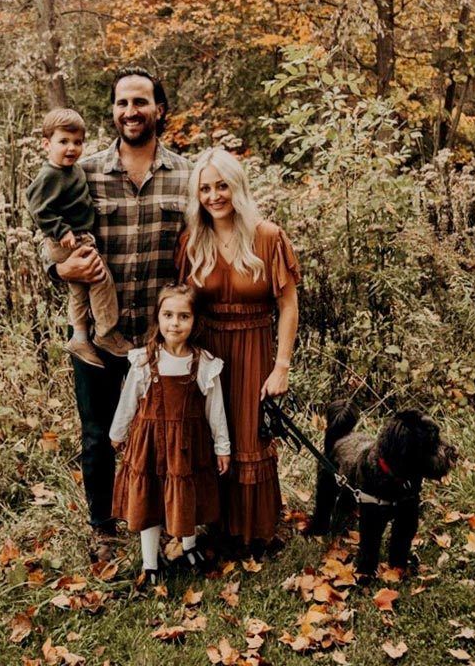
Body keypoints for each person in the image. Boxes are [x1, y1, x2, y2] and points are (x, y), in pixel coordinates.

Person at [43, 67, 191, 560]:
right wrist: (62, 268)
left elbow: (204, 246)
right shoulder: (82, 173)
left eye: (141, 102)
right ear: (113, 111)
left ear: (159, 109)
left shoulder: (187, 176)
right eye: (123, 102)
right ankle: (103, 529)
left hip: (160, 337)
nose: (131, 111)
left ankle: (171, 523)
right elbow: (47, 240)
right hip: (97, 336)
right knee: (97, 434)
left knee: (168, 432)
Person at [176, 147, 300, 556]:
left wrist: (281, 366)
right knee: (211, 436)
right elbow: (181, 305)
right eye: (205, 188)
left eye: (222, 185)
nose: (214, 196)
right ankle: (215, 530)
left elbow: (287, 305)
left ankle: (255, 532)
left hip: (252, 349)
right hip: (207, 353)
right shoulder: (193, 241)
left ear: (238, 187)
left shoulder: (267, 236)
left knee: (249, 436)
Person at [109, 284, 230, 586]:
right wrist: (117, 433)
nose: (174, 323)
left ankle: (189, 547)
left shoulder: (203, 363)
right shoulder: (145, 360)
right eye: (168, 315)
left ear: (195, 321)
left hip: (188, 446)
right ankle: (150, 563)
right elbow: (129, 401)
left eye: (183, 316)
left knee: (185, 496)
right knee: (149, 500)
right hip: (149, 443)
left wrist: (222, 446)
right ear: (158, 318)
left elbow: (216, 409)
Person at [27, 108, 132, 368]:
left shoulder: (74, 170)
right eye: (63, 142)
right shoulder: (50, 174)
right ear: (46, 144)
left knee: (80, 289)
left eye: (77, 142)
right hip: (68, 240)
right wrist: (62, 230)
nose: (71, 148)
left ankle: (80, 336)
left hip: (78, 236)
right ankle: (106, 333)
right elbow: (38, 208)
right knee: (100, 279)